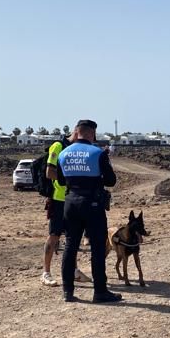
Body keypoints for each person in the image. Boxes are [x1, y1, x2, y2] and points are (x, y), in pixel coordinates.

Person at [56, 119, 121, 303]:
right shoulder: (98, 153)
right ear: (92, 134)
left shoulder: (64, 153)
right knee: (98, 248)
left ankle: (67, 291)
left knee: (70, 246)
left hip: (70, 203)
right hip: (92, 204)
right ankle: (100, 291)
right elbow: (111, 181)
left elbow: (60, 181)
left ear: (76, 132)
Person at [41, 130, 90, 286]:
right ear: (77, 133)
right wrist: (68, 181)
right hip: (59, 199)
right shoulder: (58, 146)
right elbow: (49, 172)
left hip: (73, 198)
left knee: (73, 236)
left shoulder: (77, 149)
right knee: (54, 235)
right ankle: (46, 272)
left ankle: (74, 270)